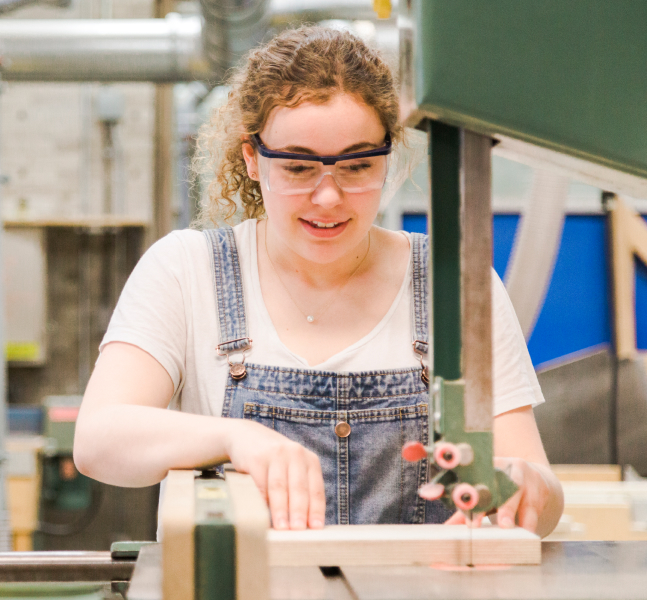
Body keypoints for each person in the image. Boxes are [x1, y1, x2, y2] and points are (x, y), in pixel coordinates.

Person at [73, 26, 564, 535]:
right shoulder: (185, 270)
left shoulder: (455, 286)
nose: (328, 197)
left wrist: (528, 488)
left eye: (357, 166)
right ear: (252, 159)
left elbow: (537, 494)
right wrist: (236, 437)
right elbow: (99, 440)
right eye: (298, 167)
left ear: (387, 157)